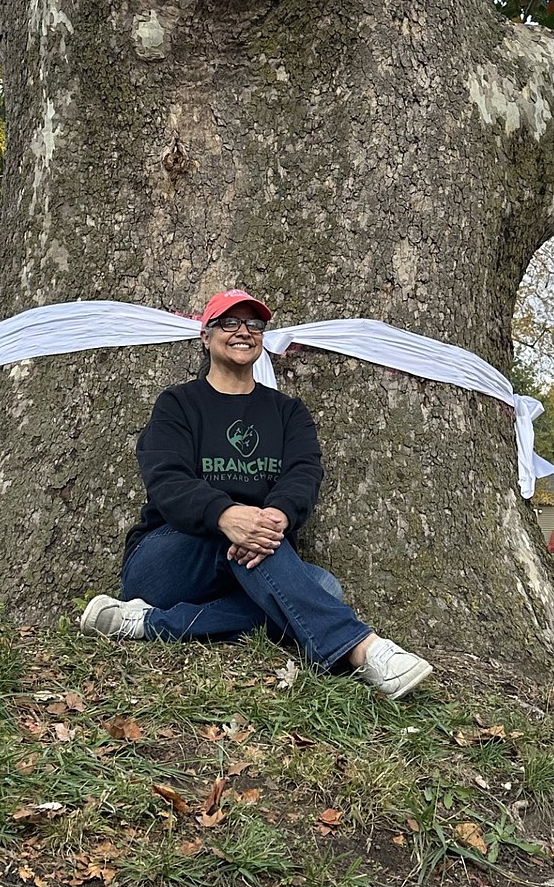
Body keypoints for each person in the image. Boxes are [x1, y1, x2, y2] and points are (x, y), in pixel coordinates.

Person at [79, 288, 433, 700]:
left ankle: (146, 624)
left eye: (254, 324)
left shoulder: (287, 413)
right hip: (170, 559)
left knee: (323, 588)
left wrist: (280, 513)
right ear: (206, 336)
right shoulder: (178, 405)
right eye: (229, 322)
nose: (243, 331)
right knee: (285, 573)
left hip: (256, 555)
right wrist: (226, 516)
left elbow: (304, 472)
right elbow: (166, 478)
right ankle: (363, 649)